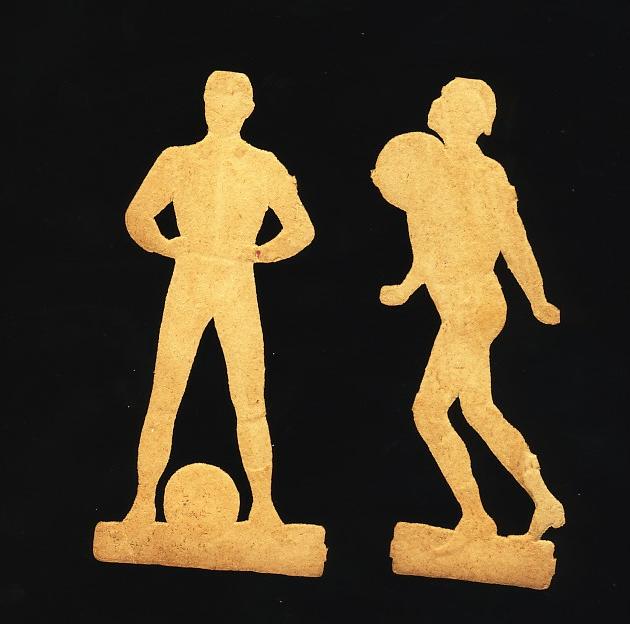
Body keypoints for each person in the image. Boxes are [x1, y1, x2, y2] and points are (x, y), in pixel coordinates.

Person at [374, 78, 564, 540]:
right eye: (444, 103)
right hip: (464, 305)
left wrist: (537, 298)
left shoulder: (486, 175)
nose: (443, 110)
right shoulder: (431, 172)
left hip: (473, 304)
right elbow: (431, 251)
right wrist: (405, 288)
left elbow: (514, 242)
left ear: (476, 122)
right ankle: (540, 501)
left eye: (455, 107)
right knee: (477, 409)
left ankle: (479, 517)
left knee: (430, 412)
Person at [123, 70, 315, 526]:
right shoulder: (177, 160)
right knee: (165, 395)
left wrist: (260, 252)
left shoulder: (264, 165)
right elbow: (137, 216)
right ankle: (142, 503)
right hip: (191, 278)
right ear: (205, 103)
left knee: (249, 399)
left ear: (248, 108)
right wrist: (169, 245)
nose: (222, 106)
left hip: (234, 280)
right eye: (215, 98)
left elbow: (302, 229)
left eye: (232, 99)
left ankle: (264, 507)